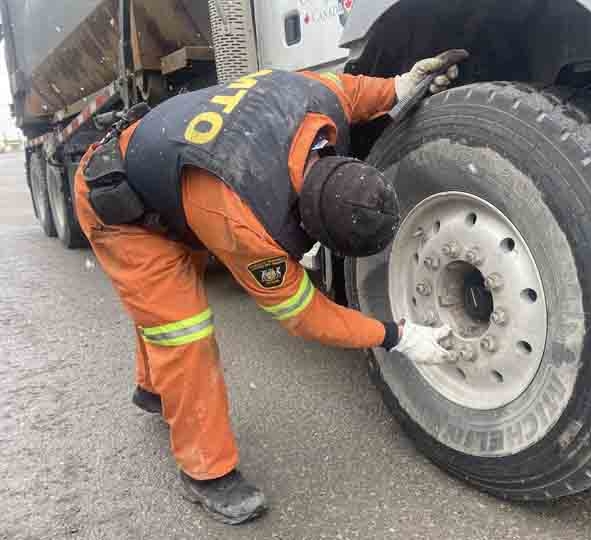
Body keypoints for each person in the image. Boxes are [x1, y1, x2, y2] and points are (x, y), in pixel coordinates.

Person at [73, 54, 461, 525]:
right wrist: (397, 336)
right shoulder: (246, 220)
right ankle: (206, 471)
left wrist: (402, 83)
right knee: (183, 331)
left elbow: (355, 91)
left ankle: (153, 389)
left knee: (162, 306)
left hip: (172, 176)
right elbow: (306, 316)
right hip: (121, 205)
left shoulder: (317, 101)